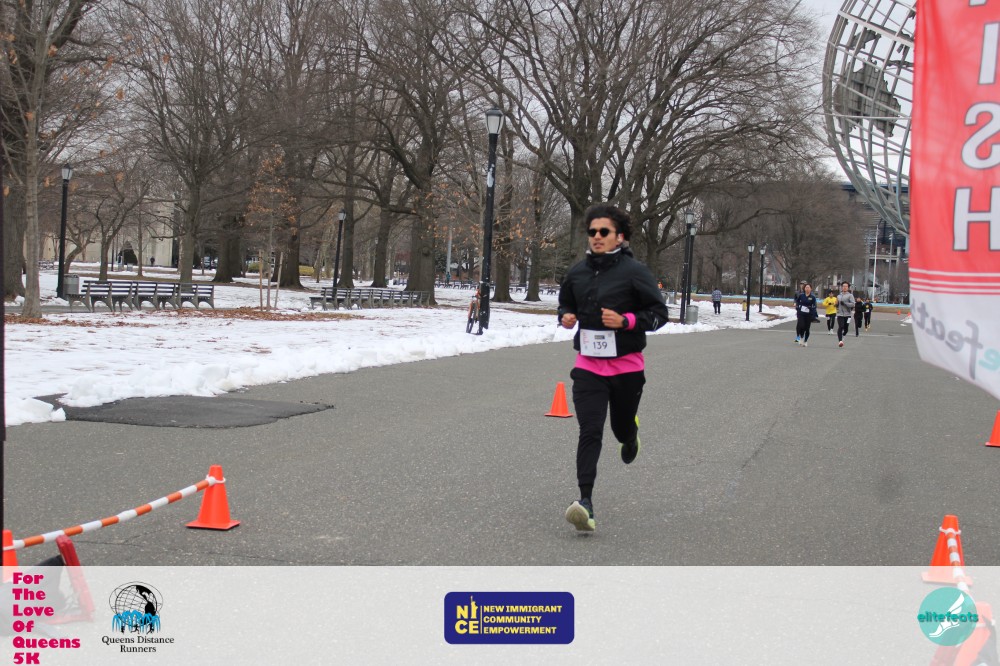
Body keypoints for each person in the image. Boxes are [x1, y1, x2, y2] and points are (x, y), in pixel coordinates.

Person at [557, 203, 669, 532]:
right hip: (588, 366)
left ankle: (630, 434)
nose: (597, 236)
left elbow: (659, 314)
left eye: (603, 231)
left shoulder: (635, 272)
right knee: (590, 430)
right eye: (592, 231)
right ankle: (585, 502)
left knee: (620, 428)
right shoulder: (577, 273)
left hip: (626, 368)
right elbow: (566, 303)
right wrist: (566, 317)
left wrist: (626, 321)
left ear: (619, 236)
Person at [836, 281, 855, 347]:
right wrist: (836, 305)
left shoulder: (850, 295)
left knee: (846, 328)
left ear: (848, 287)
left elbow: (853, 304)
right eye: (843, 286)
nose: (844, 287)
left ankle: (843, 335)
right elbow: (836, 304)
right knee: (841, 326)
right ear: (841, 287)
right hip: (840, 314)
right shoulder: (838, 296)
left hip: (848, 315)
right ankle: (840, 341)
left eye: (846, 286)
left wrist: (845, 303)